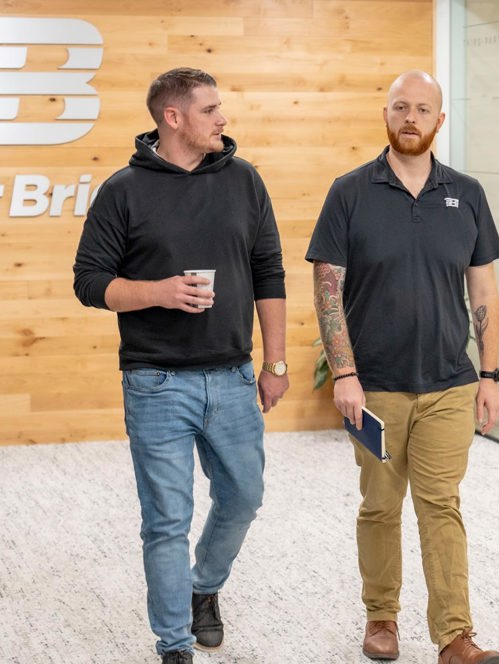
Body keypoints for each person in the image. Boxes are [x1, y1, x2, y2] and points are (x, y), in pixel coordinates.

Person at [72, 67, 289, 664]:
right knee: (167, 520)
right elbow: (89, 283)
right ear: (174, 117)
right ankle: (173, 646)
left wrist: (275, 360)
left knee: (243, 496)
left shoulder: (244, 181)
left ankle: (204, 588)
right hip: (155, 381)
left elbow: (269, 269)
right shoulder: (124, 190)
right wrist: (158, 292)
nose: (223, 119)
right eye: (211, 109)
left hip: (234, 375)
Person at [306, 70, 499, 664]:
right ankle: (382, 618)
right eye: (400, 107)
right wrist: (344, 373)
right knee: (380, 505)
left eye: (423, 108)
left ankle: (454, 635)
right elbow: (327, 288)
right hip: (375, 387)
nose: (411, 117)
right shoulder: (350, 192)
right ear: (386, 116)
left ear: (439, 120)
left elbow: (484, 290)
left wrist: (490, 375)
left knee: (441, 504)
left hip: (450, 382)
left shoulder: (466, 194)